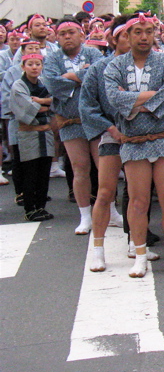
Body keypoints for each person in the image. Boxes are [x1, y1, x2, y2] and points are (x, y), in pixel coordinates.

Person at [104, 13, 164, 278]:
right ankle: (139, 254)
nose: (144, 37)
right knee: (139, 201)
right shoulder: (114, 66)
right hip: (132, 141)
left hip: (163, 137)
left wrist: (132, 101)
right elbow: (113, 99)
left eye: (149, 31)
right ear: (125, 36)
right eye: (137, 32)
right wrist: (147, 98)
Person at [80, 16, 136, 271]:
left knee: (138, 193)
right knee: (105, 192)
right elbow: (87, 106)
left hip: (141, 136)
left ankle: (136, 241)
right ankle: (98, 249)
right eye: (126, 34)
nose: (132, 39)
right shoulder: (98, 68)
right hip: (110, 134)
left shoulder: (150, 66)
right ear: (114, 38)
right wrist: (110, 128)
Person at [42, 17, 104, 234]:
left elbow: (98, 78)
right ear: (57, 37)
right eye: (62, 33)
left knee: (104, 168)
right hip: (69, 120)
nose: (67, 37)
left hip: (96, 120)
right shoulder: (52, 58)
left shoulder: (94, 53)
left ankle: (110, 210)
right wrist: (81, 78)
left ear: (81, 34)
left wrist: (70, 76)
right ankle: (85, 215)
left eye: (71, 32)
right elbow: (51, 82)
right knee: (80, 168)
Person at [10, 51, 54, 221]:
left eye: (37, 64)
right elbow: (25, 109)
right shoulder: (18, 85)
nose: (34, 67)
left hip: (46, 132)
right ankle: (30, 209)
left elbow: (56, 102)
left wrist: (41, 101)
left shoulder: (44, 83)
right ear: (23, 67)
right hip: (28, 133)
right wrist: (47, 104)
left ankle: (41, 206)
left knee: (44, 173)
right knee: (30, 172)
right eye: (30, 64)